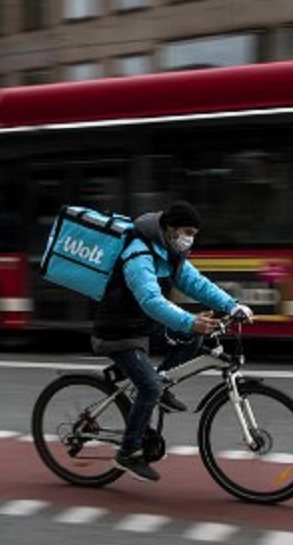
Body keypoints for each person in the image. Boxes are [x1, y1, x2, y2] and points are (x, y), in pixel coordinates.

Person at [91, 200, 254, 482]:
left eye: (194, 233)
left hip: (143, 328)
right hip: (118, 333)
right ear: (169, 228)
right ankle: (128, 453)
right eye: (186, 231)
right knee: (150, 385)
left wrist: (232, 306)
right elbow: (151, 300)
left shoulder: (170, 252)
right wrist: (191, 321)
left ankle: (160, 386)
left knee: (190, 337)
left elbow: (197, 284)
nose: (189, 238)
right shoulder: (138, 253)